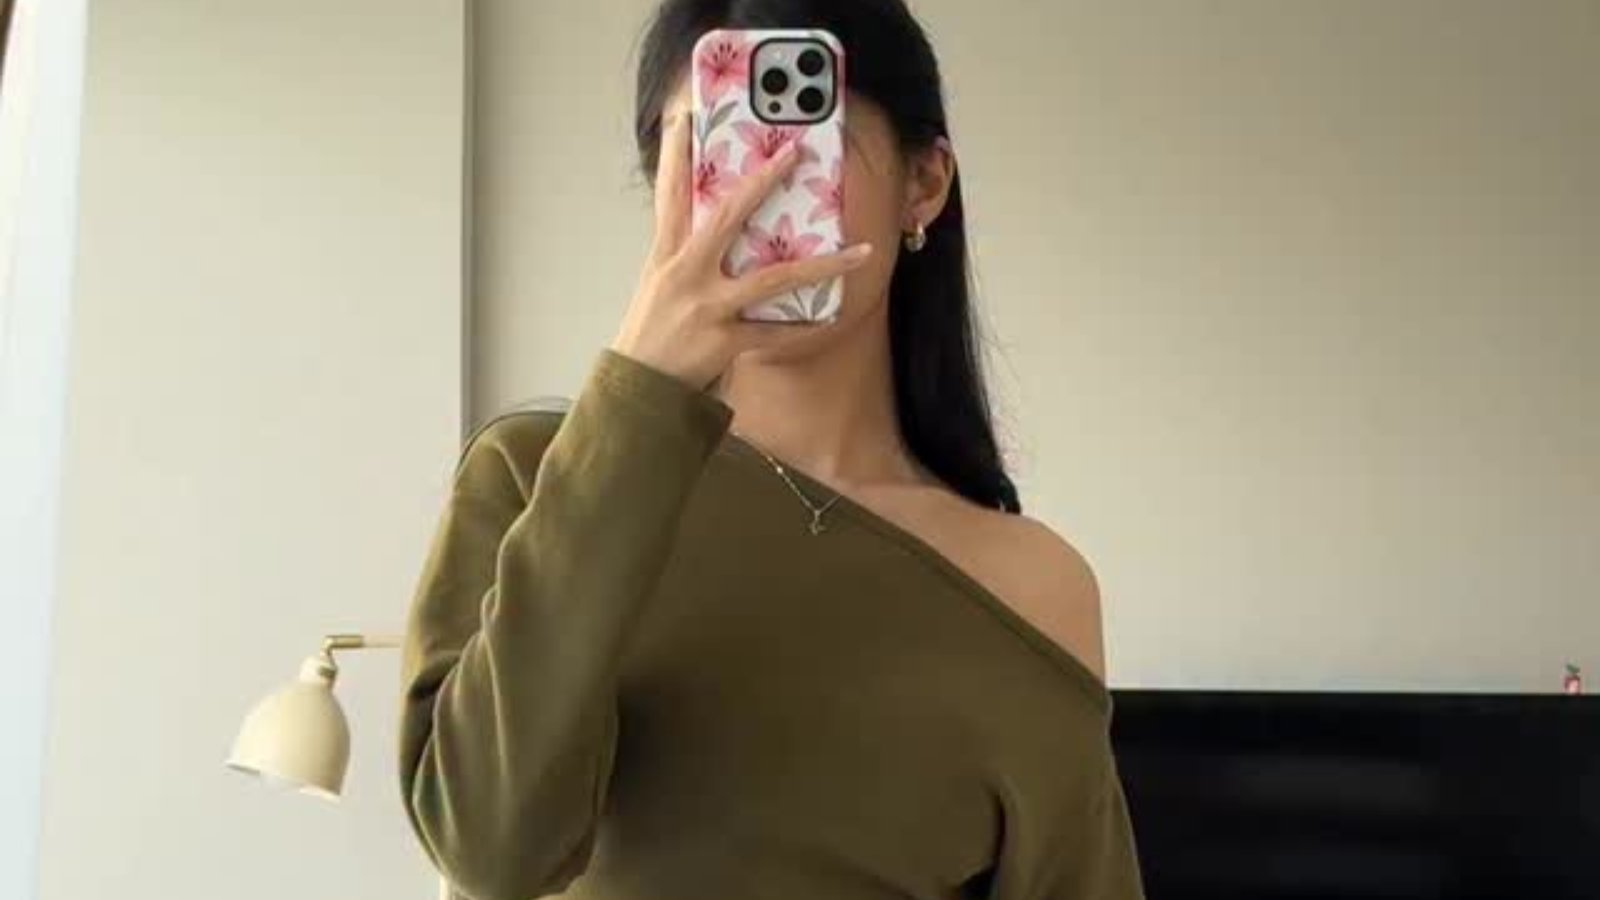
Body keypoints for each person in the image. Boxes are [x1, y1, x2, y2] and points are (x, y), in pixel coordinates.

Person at [396, 1, 1146, 899]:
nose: (762, 187)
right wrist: (639, 394)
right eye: (716, 146)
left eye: (801, 140)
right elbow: (490, 849)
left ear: (924, 183)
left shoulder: (1032, 585)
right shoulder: (530, 479)